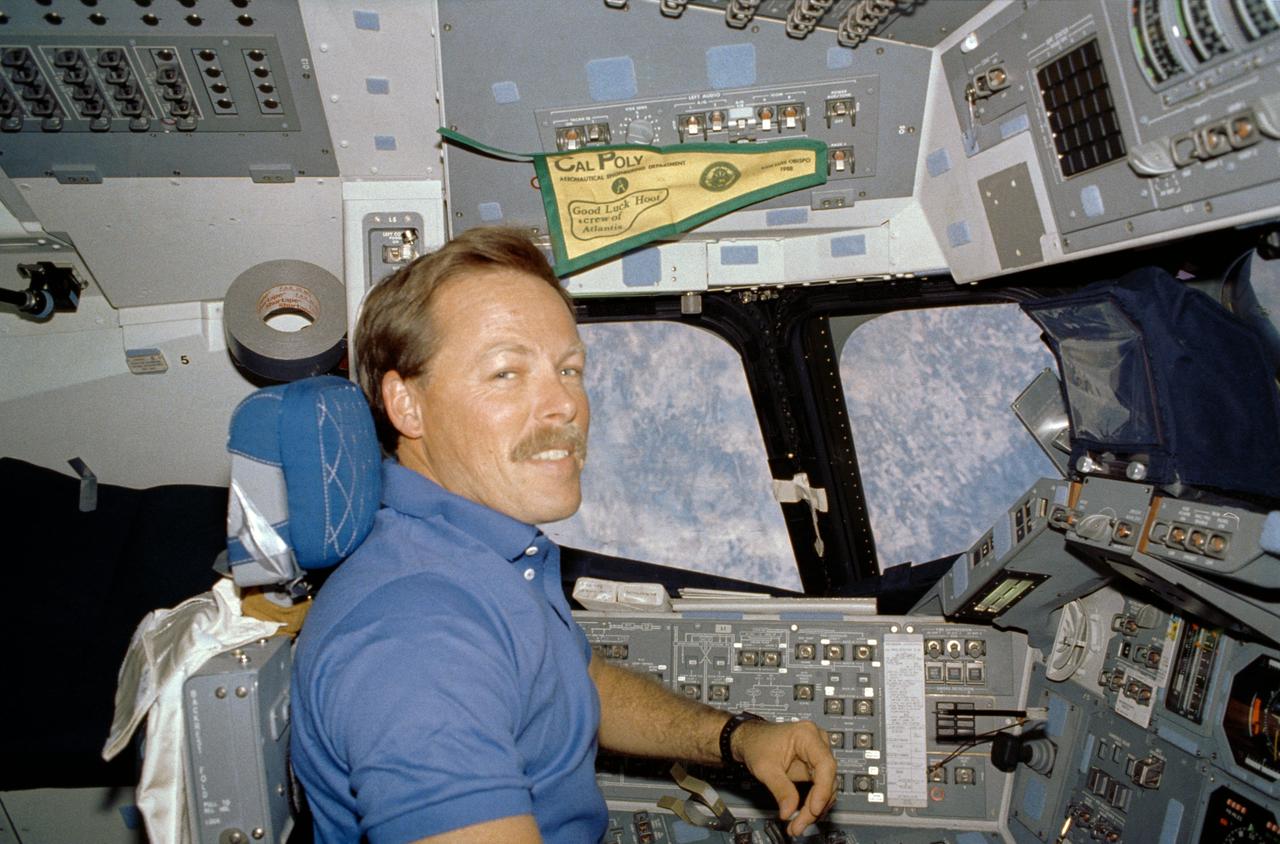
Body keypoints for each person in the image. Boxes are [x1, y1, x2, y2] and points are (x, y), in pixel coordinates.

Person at [290, 226, 837, 843]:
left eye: (569, 369)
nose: (564, 405)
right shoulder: (419, 635)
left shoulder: (477, 553)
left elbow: (571, 682)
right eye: (506, 373)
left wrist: (735, 739)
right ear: (407, 405)